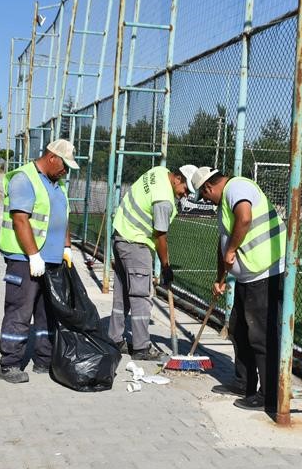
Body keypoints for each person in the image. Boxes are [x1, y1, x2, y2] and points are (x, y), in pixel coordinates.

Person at [191, 167, 286, 411]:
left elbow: (244, 218)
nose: (208, 203)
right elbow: (222, 243)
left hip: (265, 271)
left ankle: (269, 394)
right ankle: (244, 383)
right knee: (239, 329)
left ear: (208, 188)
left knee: (261, 334)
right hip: (248, 274)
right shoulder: (225, 203)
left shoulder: (237, 188)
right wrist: (220, 277)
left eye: (205, 197)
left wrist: (232, 251)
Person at [0, 139, 80, 383]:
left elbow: (63, 217)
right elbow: (20, 220)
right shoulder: (24, 179)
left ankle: (44, 360)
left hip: (52, 261)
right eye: (64, 165)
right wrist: (33, 255)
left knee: (47, 313)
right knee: (20, 310)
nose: (65, 170)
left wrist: (66, 248)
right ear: (52, 157)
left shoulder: (58, 184)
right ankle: (9, 364)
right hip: (25, 259)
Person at [108, 164, 198, 360]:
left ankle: (114, 339)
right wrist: (166, 266)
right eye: (185, 190)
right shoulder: (164, 201)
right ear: (178, 179)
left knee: (121, 294)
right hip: (136, 243)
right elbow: (160, 236)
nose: (185, 195)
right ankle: (141, 347)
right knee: (141, 296)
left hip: (120, 235)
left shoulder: (158, 171)